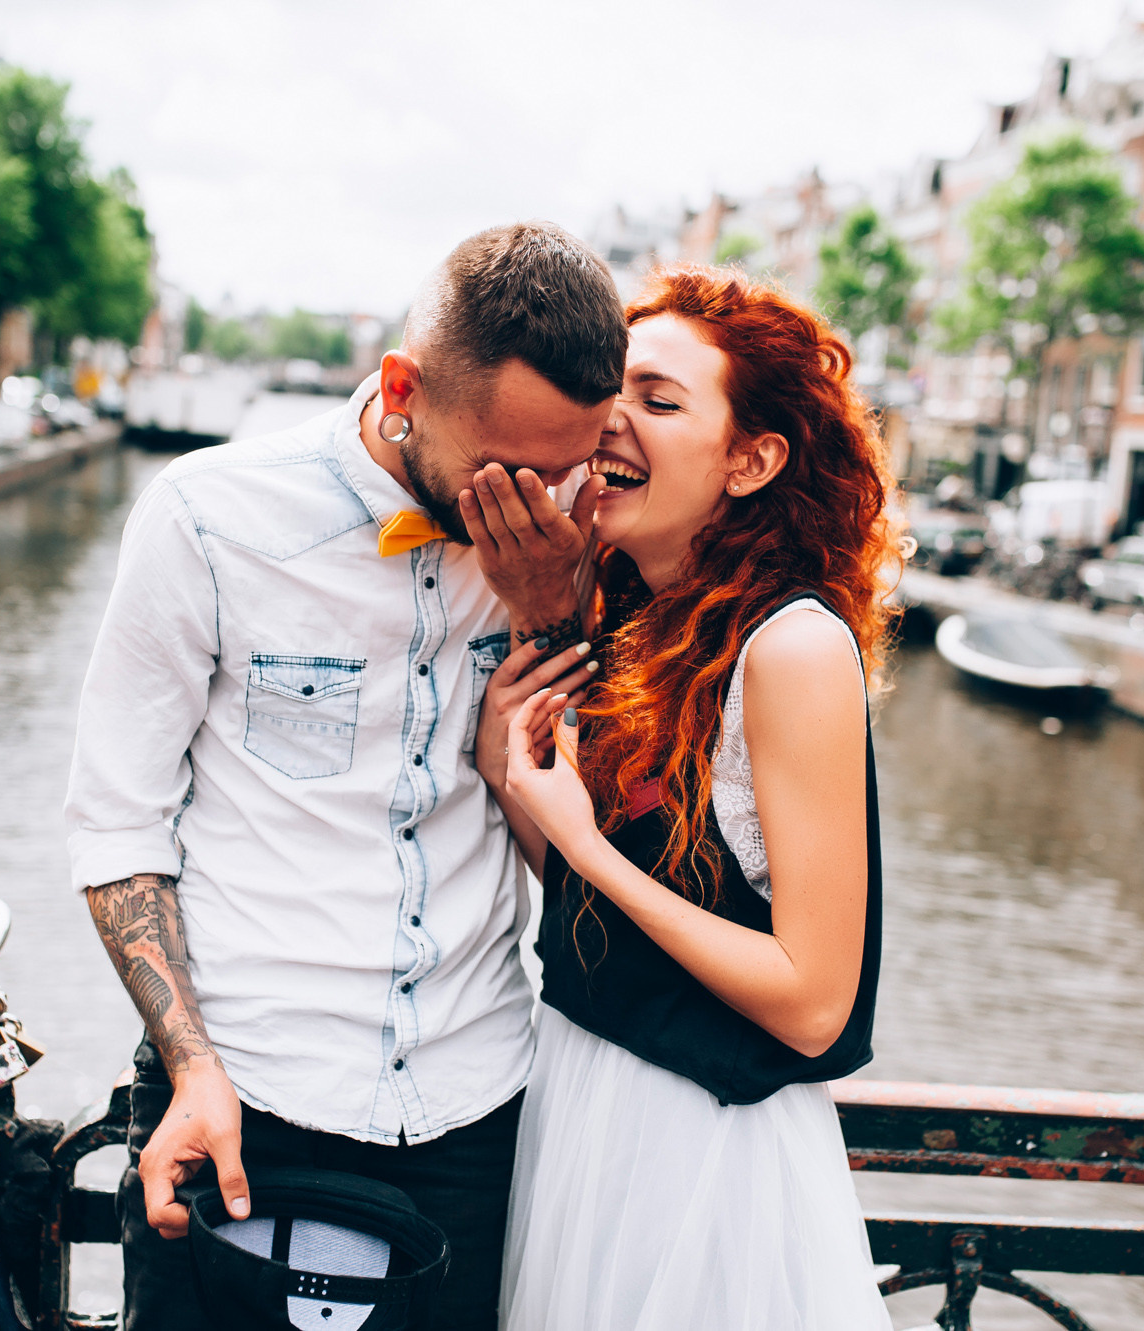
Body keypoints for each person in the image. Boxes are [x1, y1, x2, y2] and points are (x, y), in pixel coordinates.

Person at [64, 220, 628, 1330]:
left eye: (567, 468)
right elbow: (118, 823)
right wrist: (190, 1068)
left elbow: (600, 841)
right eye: (506, 471)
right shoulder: (208, 518)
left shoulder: (575, 541)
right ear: (402, 387)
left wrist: (549, 609)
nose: (540, 500)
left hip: (478, 1102)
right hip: (247, 1097)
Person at [473, 266, 899, 1329]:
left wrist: (584, 840)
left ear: (751, 460)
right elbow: (615, 914)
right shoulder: (640, 619)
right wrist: (513, 783)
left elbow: (811, 1000)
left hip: (700, 1146)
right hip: (582, 1091)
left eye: (660, 401)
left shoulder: (791, 646)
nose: (613, 417)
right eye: (612, 389)